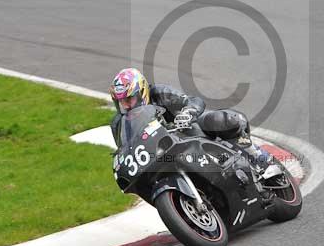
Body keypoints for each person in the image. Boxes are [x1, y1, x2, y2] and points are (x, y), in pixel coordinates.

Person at [108, 67, 279, 177]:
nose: (126, 105)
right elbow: (125, 147)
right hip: (161, 155)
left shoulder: (160, 93)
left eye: (130, 99)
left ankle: (260, 159)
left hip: (188, 132)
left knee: (219, 120)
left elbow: (193, 101)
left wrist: (187, 113)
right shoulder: (119, 123)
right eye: (122, 102)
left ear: (142, 91)